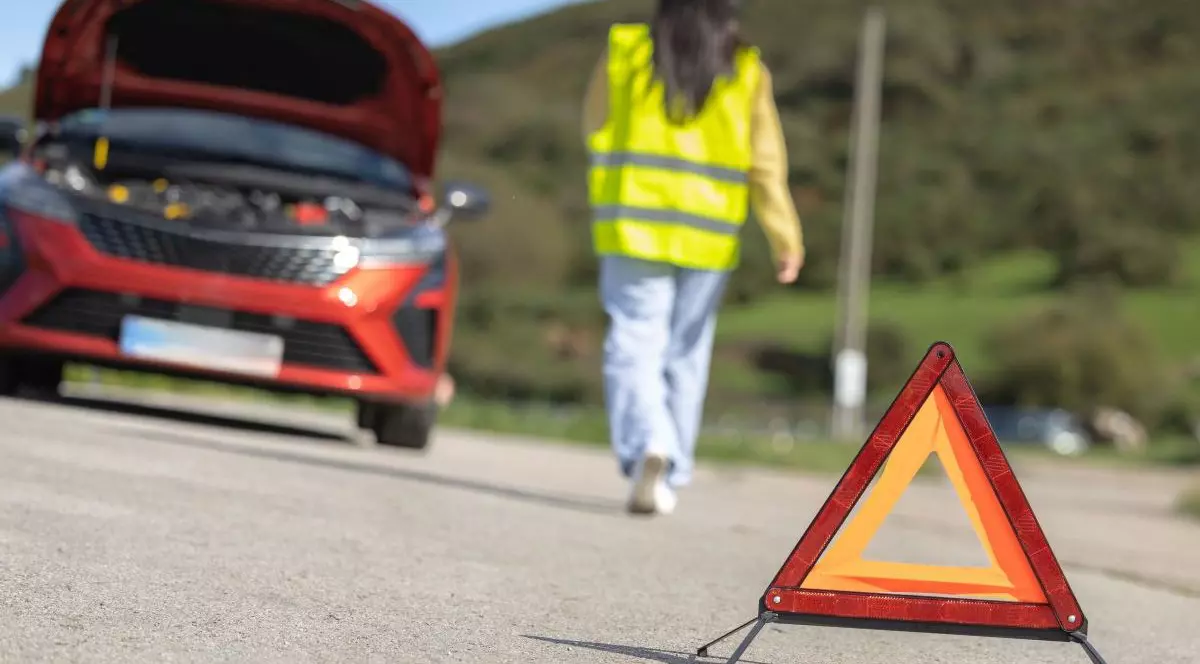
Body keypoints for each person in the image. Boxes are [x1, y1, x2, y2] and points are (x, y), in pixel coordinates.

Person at [582, 0, 805, 516]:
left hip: (633, 225)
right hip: (709, 235)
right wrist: (784, 237)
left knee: (634, 342)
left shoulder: (626, 51)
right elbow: (766, 161)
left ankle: (647, 447)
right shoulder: (746, 68)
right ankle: (670, 470)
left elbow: (594, 127)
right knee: (686, 353)